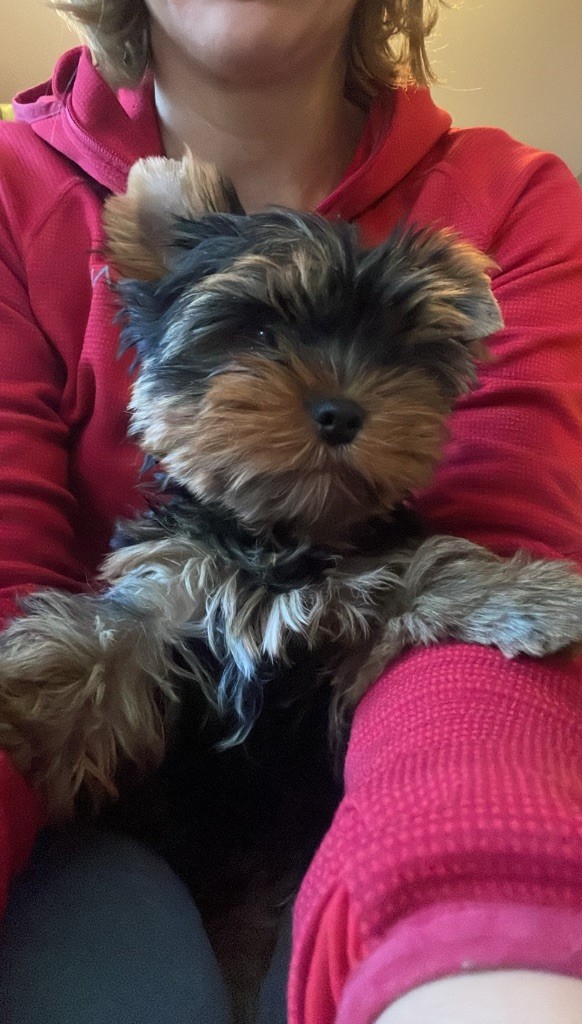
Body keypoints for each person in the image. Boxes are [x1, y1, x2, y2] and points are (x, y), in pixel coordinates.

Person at [0, 1, 582, 1022]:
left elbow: (499, 613)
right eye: (260, 335)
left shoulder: (516, 202)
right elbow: (30, 676)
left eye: (391, 357)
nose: (335, 398)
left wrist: (479, 931)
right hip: (96, 850)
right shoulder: (23, 192)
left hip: (373, 817)